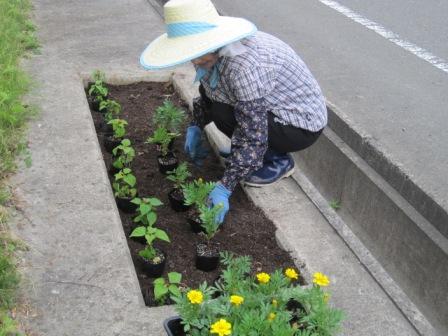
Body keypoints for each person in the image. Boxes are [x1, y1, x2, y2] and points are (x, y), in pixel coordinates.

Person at [140, 0, 327, 224]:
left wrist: (224, 186)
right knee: (221, 110)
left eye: (198, 52)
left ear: (214, 41)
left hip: (299, 124)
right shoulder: (210, 55)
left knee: (229, 118)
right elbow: (209, 93)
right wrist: (196, 126)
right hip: (269, 111)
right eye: (191, 53)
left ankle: (278, 160)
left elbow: (253, 133)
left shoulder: (244, 66)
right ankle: (256, 158)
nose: (196, 60)